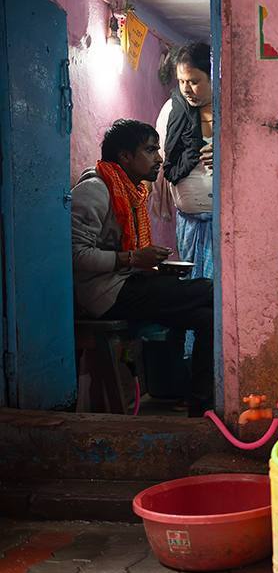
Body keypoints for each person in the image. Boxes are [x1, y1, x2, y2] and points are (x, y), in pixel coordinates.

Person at [71, 119, 214, 418]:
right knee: (210, 291)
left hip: (128, 284)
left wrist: (155, 266)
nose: (159, 159)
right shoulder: (96, 190)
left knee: (208, 318)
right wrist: (135, 259)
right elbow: (75, 256)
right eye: (150, 150)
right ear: (124, 156)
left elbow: (127, 256)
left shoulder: (132, 193)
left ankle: (201, 412)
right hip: (105, 296)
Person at [162, 41, 214, 280]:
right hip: (189, 228)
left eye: (193, 81)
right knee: (193, 296)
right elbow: (162, 161)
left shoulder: (235, 111)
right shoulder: (174, 111)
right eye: (181, 81)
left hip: (228, 227)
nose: (186, 89)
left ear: (213, 76)